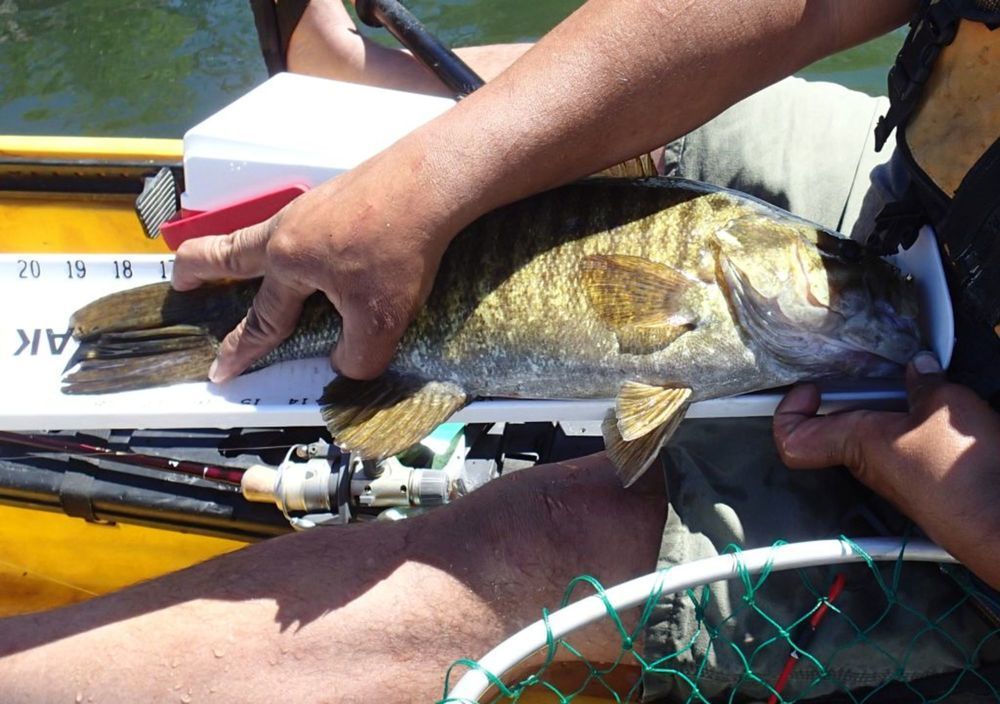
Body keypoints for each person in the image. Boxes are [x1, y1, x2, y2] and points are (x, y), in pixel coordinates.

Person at [1, 0, 998, 701]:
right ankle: (359, 95)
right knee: (635, 112)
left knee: (535, 543)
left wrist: (967, 494)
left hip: (974, 517)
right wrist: (439, 176)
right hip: (915, 185)